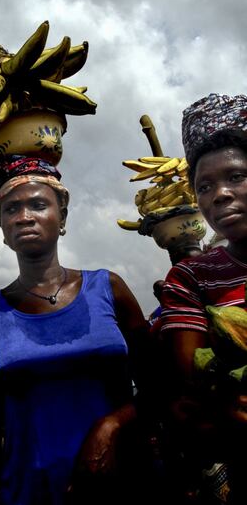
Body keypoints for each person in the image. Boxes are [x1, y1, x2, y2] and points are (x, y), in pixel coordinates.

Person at [0, 155, 155, 505]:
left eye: (38, 205)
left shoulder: (108, 289)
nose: (24, 217)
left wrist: (110, 426)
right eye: (11, 209)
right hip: (33, 492)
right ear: (3, 228)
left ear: (62, 217)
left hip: (123, 485)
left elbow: (162, 387)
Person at [160, 93, 247, 504]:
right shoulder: (191, 278)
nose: (219, 195)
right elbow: (188, 397)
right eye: (205, 186)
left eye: (235, 177)